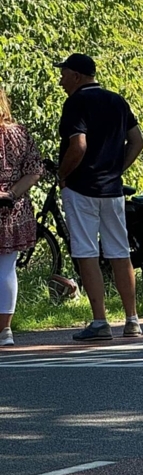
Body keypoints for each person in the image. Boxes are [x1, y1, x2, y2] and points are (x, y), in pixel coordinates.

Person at [55, 53, 143, 340]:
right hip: (112, 189)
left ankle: (100, 321)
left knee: (86, 252)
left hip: (82, 188)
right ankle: (132, 319)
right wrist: (117, 168)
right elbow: (138, 141)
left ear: (78, 76)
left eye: (64, 74)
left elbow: (78, 145)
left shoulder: (76, 102)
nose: (61, 81)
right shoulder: (117, 100)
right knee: (120, 252)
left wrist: (62, 174)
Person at [0, 86, 45, 347]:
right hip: (12, 210)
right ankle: (5, 330)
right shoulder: (20, 134)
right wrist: (11, 194)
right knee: (6, 268)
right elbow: (35, 170)